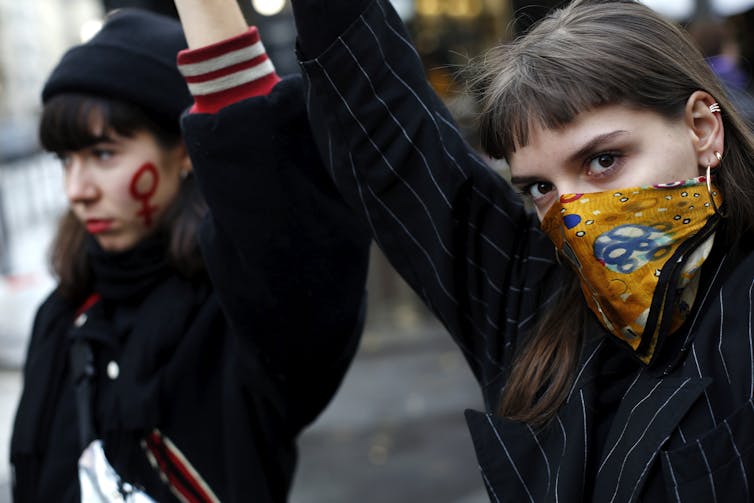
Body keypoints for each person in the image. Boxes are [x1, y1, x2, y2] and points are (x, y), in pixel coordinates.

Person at [180, 0, 754, 500]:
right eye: (540, 188)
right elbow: (384, 130)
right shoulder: (535, 301)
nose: (575, 215)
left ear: (703, 129)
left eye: (603, 160)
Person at [10, 8, 370, 502]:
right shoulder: (61, 317)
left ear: (183, 152)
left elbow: (287, 231)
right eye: (65, 159)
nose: (77, 189)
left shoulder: (234, 320)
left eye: (103, 154)